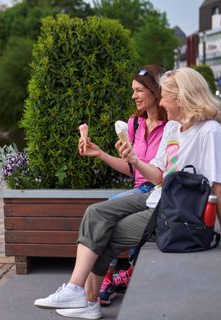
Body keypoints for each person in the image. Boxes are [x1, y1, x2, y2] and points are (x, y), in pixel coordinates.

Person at [34, 67, 221, 319]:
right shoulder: (174, 128)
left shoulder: (210, 132)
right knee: (95, 212)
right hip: (158, 196)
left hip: (181, 213)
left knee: (108, 232)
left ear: (181, 97)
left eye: (165, 95)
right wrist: (135, 160)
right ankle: (78, 292)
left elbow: (218, 189)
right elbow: (159, 175)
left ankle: (86, 300)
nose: (161, 101)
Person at [77, 65, 167, 306]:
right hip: (140, 190)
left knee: (107, 211)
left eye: (139, 90)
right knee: (107, 209)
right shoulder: (134, 124)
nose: (134, 96)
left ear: (155, 91)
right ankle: (102, 282)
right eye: (133, 90)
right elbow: (130, 168)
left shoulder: (171, 127)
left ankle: (95, 287)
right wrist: (101, 154)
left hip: (158, 189)